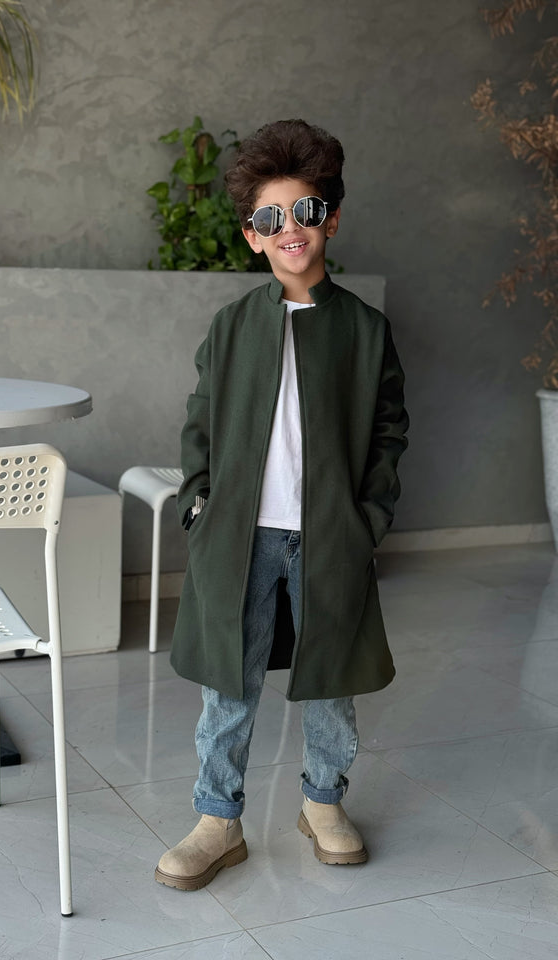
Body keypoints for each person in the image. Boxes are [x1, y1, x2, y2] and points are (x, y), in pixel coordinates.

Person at [155, 119, 409, 891]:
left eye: (304, 210)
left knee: (331, 677)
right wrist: (199, 507)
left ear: (330, 218)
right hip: (242, 535)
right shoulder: (233, 326)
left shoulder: (364, 331)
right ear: (252, 236)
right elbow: (199, 423)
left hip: (329, 535)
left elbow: (389, 432)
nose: (289, 228)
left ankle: (323, 802)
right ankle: (217, 820)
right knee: (228, 684)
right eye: (270, 218)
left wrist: (367, 521)